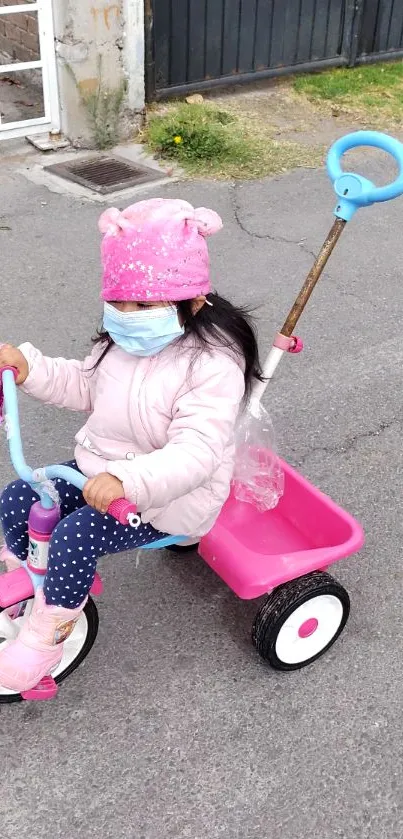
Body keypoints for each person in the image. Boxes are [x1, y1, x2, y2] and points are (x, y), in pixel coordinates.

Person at [0, 197, 263, 693]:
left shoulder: (211, 366)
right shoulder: (118, 342)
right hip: (101, 471)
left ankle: (50, 630)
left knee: (77, 534)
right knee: (18, 497)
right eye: (118, 301)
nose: (126, 315)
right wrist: (30, 370)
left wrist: (128, 480)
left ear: (193, 301)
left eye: (143, 305)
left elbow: (197, 453)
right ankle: (32, 578)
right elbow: (85, 384)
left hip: (168, 497)